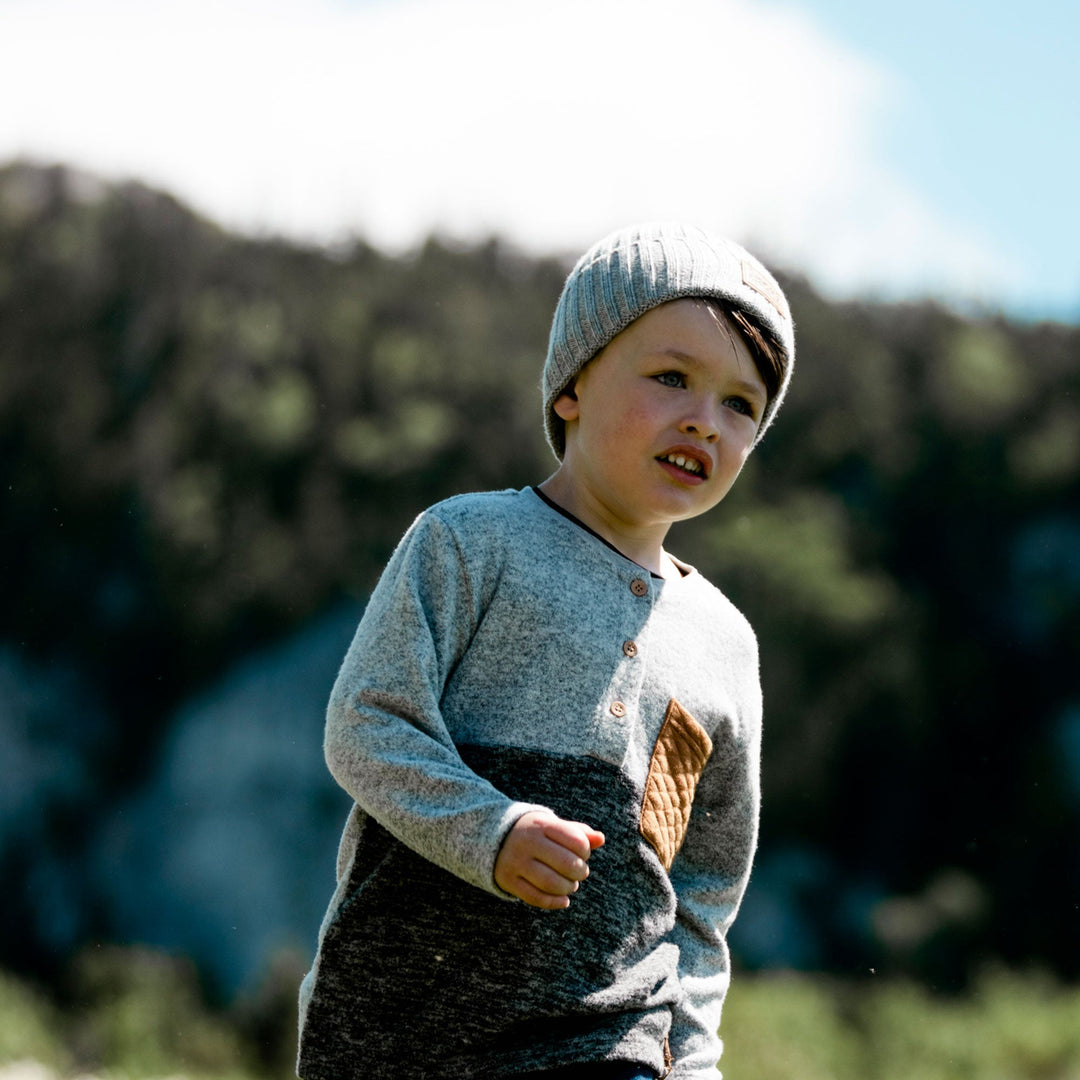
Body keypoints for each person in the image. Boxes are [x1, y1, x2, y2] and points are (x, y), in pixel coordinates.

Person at [296, 222, 795, 1080]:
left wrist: (696, 1061)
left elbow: (700, 893)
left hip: (606, 1044)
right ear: (571, 387)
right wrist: (494, 832)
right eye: (672, 377)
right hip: (395, 1033)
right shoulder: (468, 540)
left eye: (740, 404)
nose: (703, 422)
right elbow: (366, 724)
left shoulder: (722, 644)